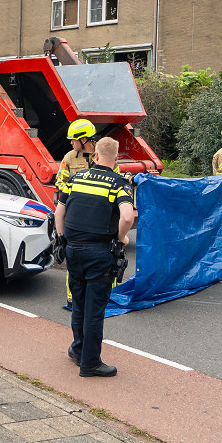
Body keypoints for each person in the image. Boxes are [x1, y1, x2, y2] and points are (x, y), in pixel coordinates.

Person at [54, 137, 136, 378]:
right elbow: (128, 217)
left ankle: (78, 350)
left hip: (73, 251)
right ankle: (90, 363)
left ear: (96, 156)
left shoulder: (76, 179)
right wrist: (122, 238)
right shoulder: (119, 184)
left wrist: (61, 239)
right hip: (99, 253)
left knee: (78, 304)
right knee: (95, 310)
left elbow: (60, 211)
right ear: (117, 158)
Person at [56, 119, 97, 311]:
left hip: (97, 214)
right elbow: (60, 181)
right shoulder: (69, 158)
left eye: (73, 139)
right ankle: (73, 299)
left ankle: (101, 297)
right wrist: (72, 193)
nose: (71, 143)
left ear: (84, 139)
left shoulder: (102, 156)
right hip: (75, 212)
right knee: (73, 255)